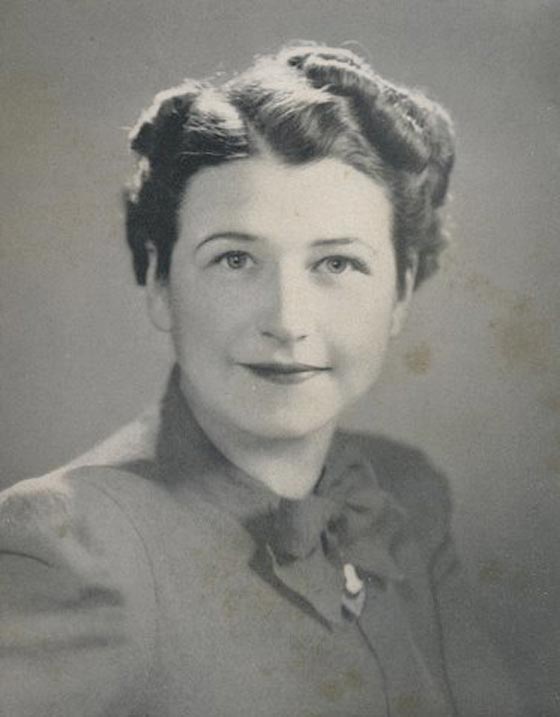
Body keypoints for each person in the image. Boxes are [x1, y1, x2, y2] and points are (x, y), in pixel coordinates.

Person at [0, 43, 520, 716]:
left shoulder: (406, 492)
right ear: (159, 280)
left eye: (337, 264)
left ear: (400, 291)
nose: (287, 321)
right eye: (235, 259)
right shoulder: (70, 544)